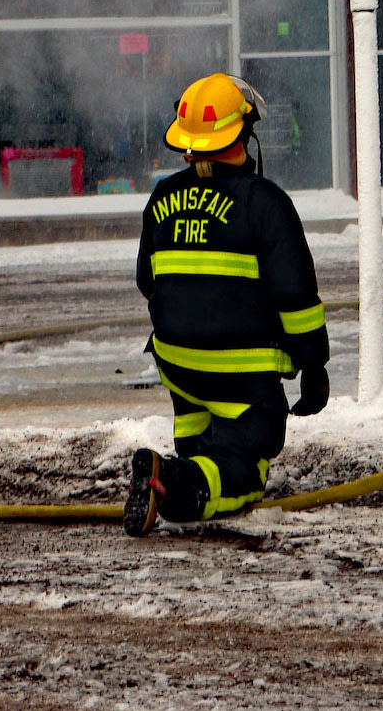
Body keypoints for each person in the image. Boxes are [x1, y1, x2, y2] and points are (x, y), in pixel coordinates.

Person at [123, 71, 330, 535]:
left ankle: (180, 468)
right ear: (243, 134)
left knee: (201, 444)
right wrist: (314, 366)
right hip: (241, 375)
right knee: (244, 465)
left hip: (179, 365)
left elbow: (147, 281)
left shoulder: (162, 197)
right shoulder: (265, 203)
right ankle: (174, 484)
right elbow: (296, 298)